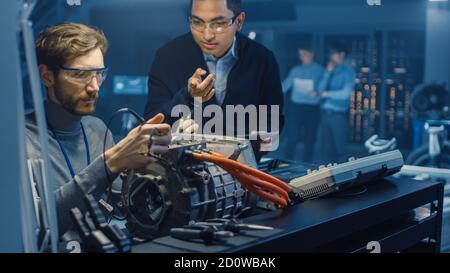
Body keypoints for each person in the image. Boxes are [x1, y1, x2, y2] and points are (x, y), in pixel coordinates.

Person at [26, 22, 173, 235]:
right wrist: (111, 162)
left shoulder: (97, 128)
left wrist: (164, 163)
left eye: (99, 73)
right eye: (80, 75)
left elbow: (124, 206)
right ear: (47, 76)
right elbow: (39, 224)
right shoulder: (22, 140)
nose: (94, 87)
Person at [144, 0, 284, 158]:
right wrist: (188, 97)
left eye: (219, 23)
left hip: (243, 170)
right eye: (197, 22)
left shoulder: (262, 59)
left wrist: (250, 158)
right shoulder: (167, 57)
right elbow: (151, 124)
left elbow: (273, 125)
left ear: (239, 21)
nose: (207, 35)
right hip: (182, 170)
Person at [281, 46, 324, 163]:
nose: (302, 57)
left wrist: (318, 92)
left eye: (304, 54)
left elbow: (324, 88)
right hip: (296, 107)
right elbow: (285, 86)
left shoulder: (320, 70)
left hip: (312, 108)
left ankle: (308, 166)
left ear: (312, 54)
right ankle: (287, 164)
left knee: (310, 139)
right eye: (300, 54)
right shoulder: (296, 70)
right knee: (292, 138)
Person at [316, 43, 356, 164]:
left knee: (340, 151)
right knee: (327, 150)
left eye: (333, 53)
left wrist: (327, 94)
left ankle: (342, 179)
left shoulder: (348, 72)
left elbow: (346, 93)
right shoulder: (330, 71)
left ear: (341, 54)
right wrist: (327, 73)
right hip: (325, 115)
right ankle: (328, 179)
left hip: (338, 115)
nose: (330, 56)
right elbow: (319, 90)